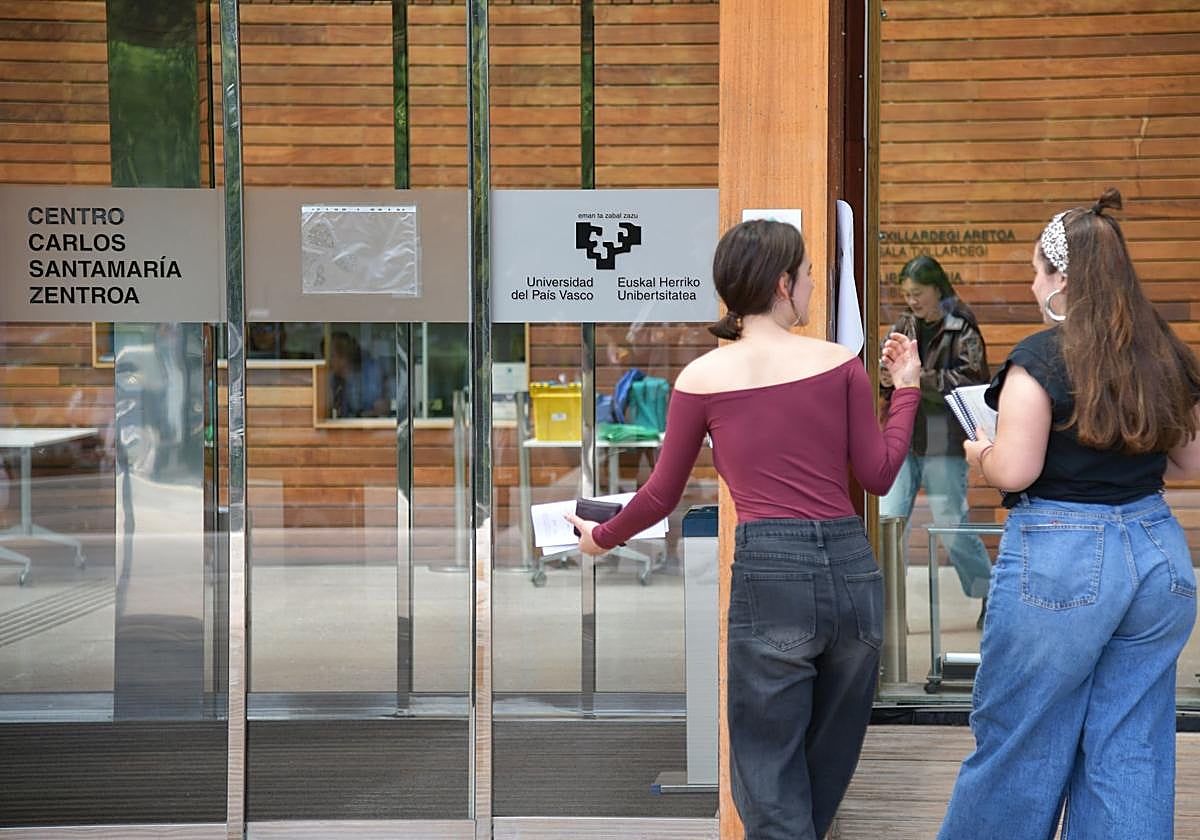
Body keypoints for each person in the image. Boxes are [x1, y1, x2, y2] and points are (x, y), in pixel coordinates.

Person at [565, 219, 923, 840]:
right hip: (851, 570)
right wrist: (908, 392)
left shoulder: (702, 379)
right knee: (822, 770)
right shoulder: (841, 365)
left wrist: (601, 538)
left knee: (768, 774)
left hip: (773, 575)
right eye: (810, 275)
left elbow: (659, 496)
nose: (814, 286)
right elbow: (879, 474)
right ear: (784, 284)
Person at [938, 188, 1200, 839]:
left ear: (1064, 280)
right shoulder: (1163, 352)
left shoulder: (1039, 359)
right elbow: (1190, 463)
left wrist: (980, 453)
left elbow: (1017, 468)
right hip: (1157, 550)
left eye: (1037, 270)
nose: (1032, 283)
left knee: (1019, 740)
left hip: (1061, 556)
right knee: (1132, 748)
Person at [879, 255, 994, 627]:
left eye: (919, 293)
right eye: (907, 294)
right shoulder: (904, 324)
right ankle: (888, 607)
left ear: (937, 289)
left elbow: (973, 381)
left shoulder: (962, 327)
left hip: (944, 439)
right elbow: (886, 375)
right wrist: (886, 376)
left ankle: (988, 594)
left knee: (952, 527)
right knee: (887, 522)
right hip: (904, 437)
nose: (912, 301)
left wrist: (916, 379)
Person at [328, 331, 390, 418]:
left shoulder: (368, 378)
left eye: (332, 356)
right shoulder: (332, 379)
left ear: (343, 358)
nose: (328, 361)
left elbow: (381, 408)